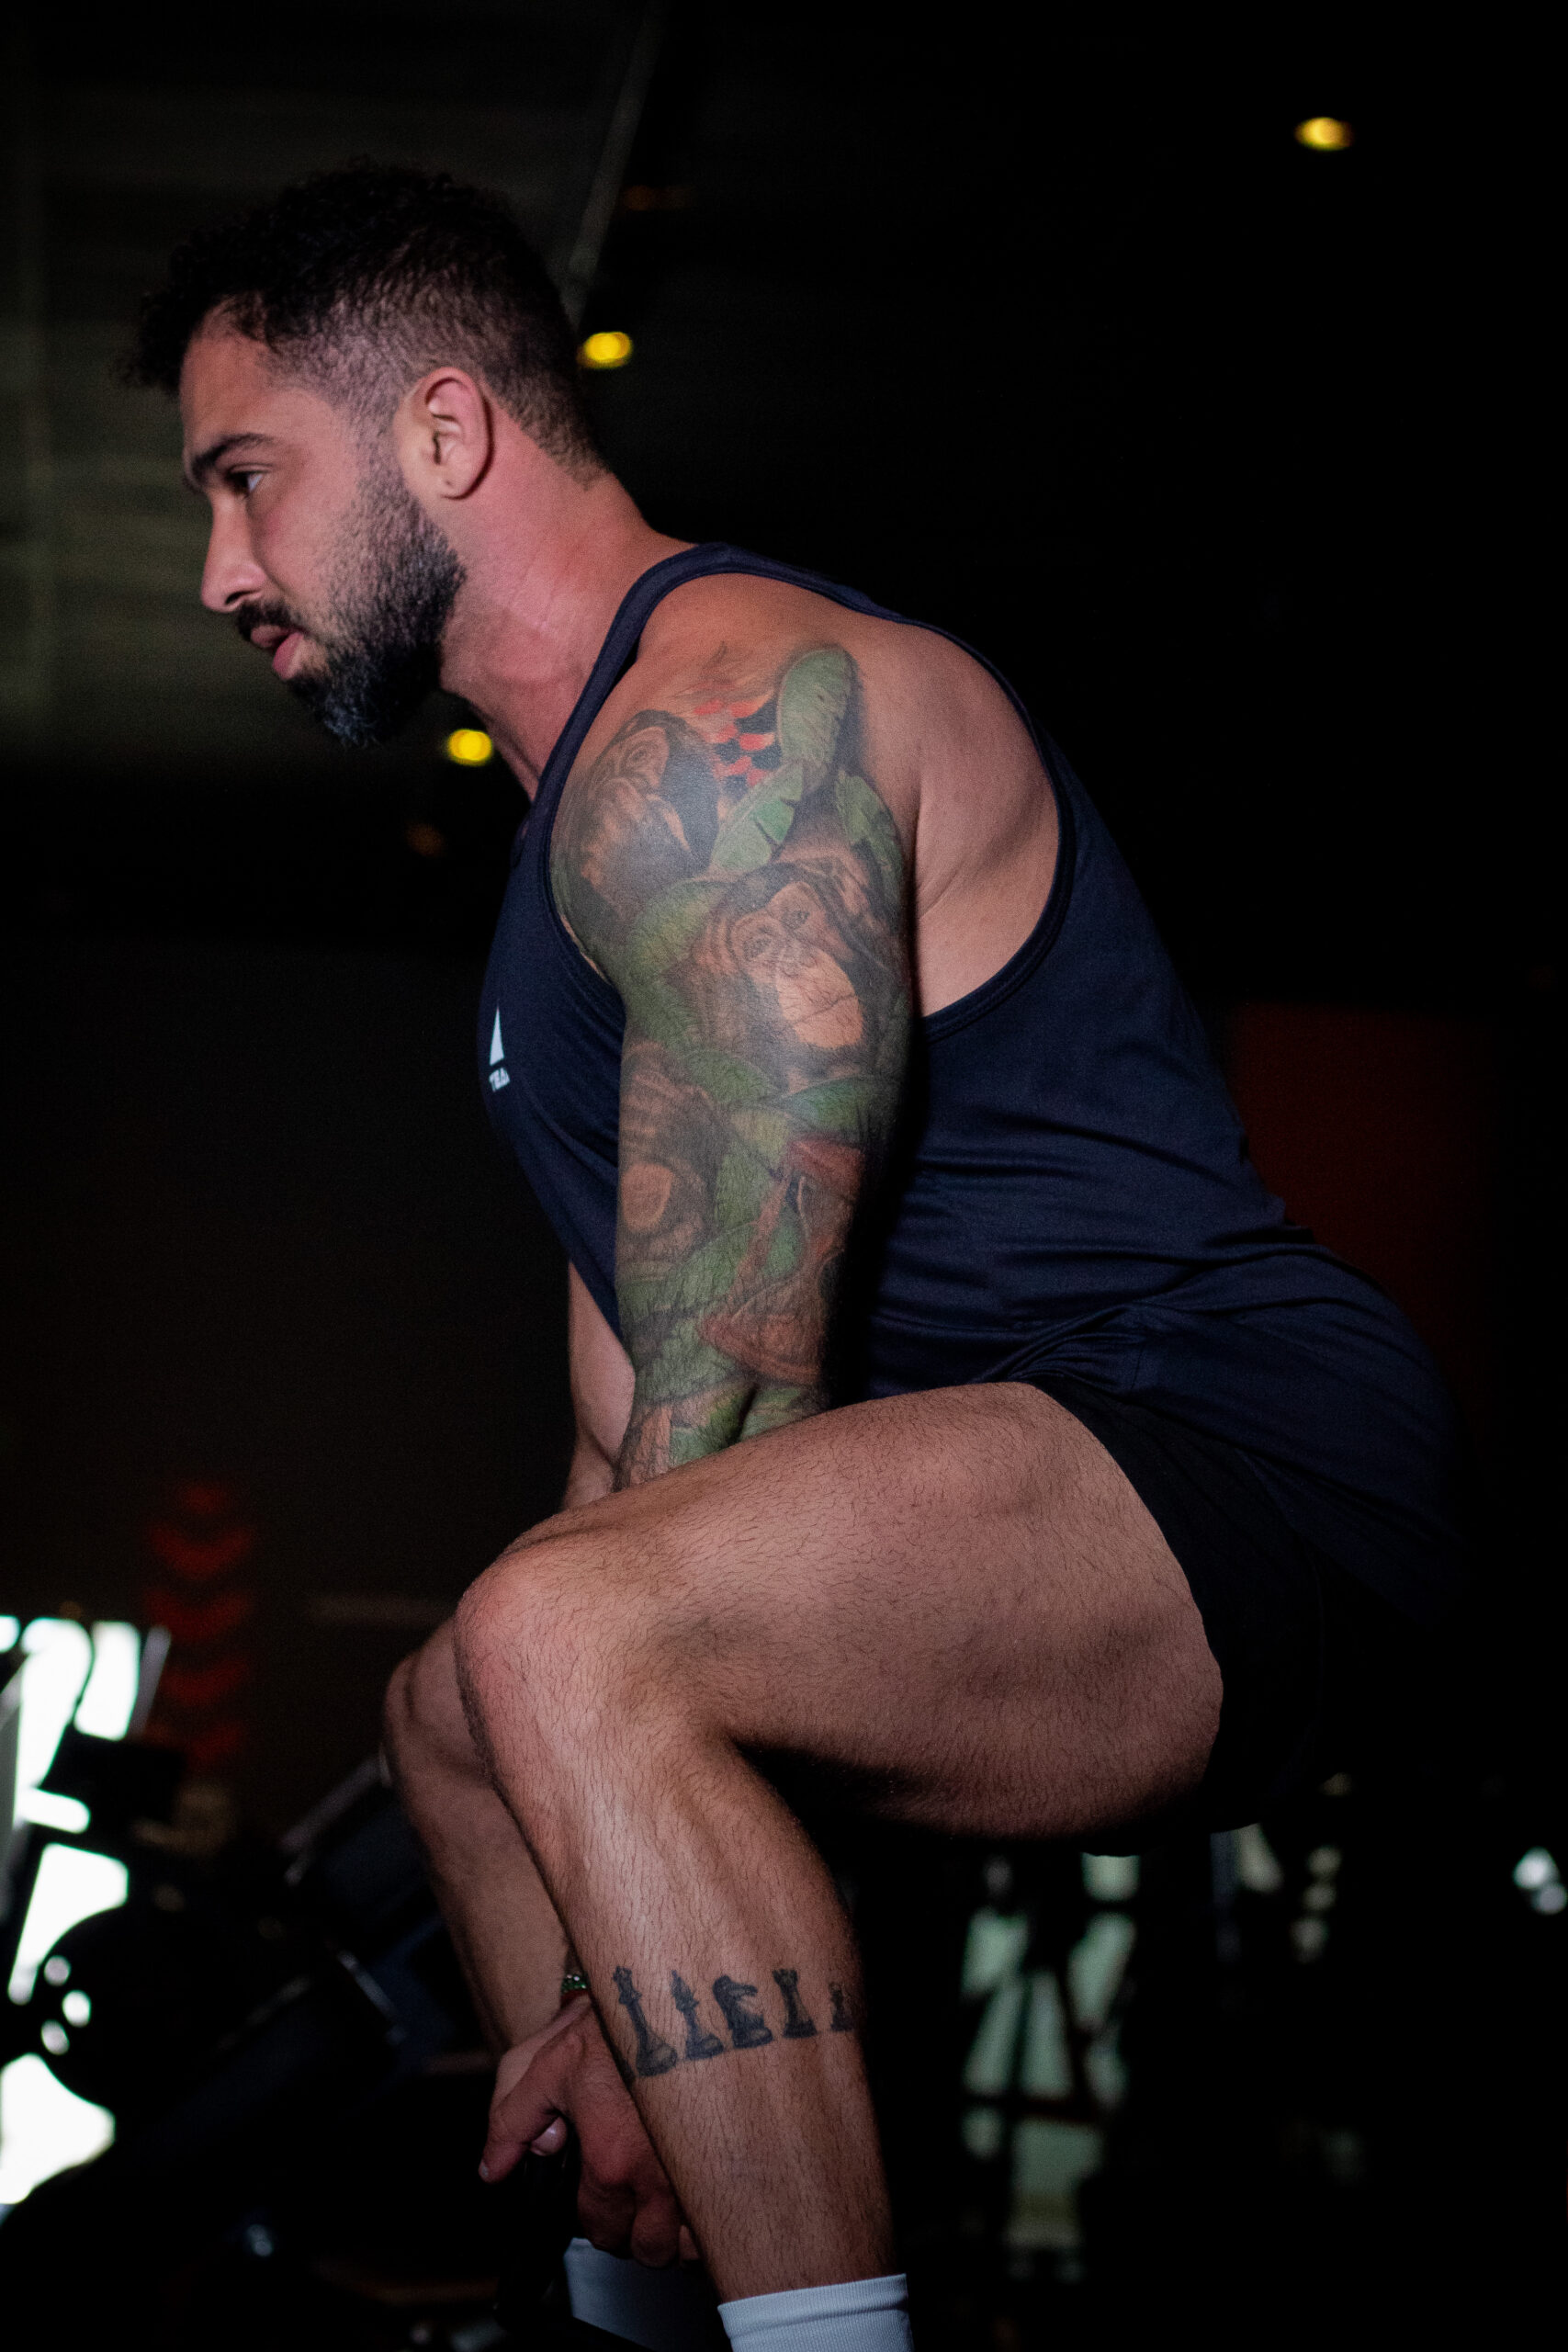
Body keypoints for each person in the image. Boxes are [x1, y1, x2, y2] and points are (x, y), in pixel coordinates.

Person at [133, 163, 1470, 2351]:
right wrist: (602, 1949)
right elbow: (628, 1419)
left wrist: (642, 1949)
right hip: (1009, 1471)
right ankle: (630, 2305)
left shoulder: (726, 730)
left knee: (561, 1635)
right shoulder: (571, 838)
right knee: (453, 1705)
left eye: (246, 478)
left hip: (1238, 1453)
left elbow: (734, 1389)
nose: (219, 569)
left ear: (443, 432)